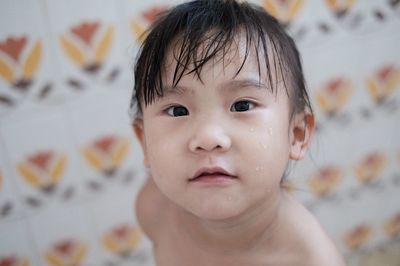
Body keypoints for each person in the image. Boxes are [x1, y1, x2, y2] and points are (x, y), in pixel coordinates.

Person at [130, 0, 345, 265]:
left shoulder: (310, 260)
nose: (208, 138)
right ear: (144, 142)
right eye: (177, 111)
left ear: (296, 135)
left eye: (242, 105)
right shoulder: (154, 208)